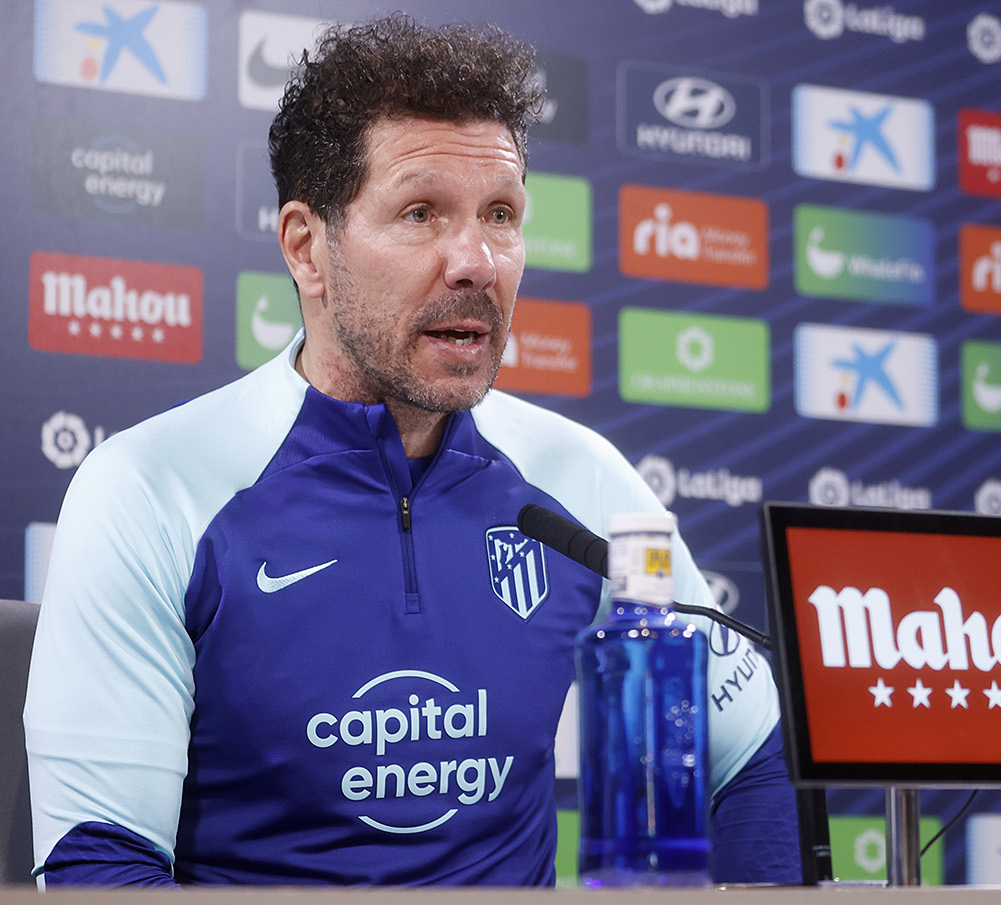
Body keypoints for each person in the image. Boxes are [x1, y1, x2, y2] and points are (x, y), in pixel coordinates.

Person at [25, 14, 798, 887]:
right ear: (307, 247)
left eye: (499, 215)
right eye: (421, 212)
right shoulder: (149, 489)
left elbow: (751, 751)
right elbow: (100, 863)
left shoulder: (582, 478)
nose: (475, 261)